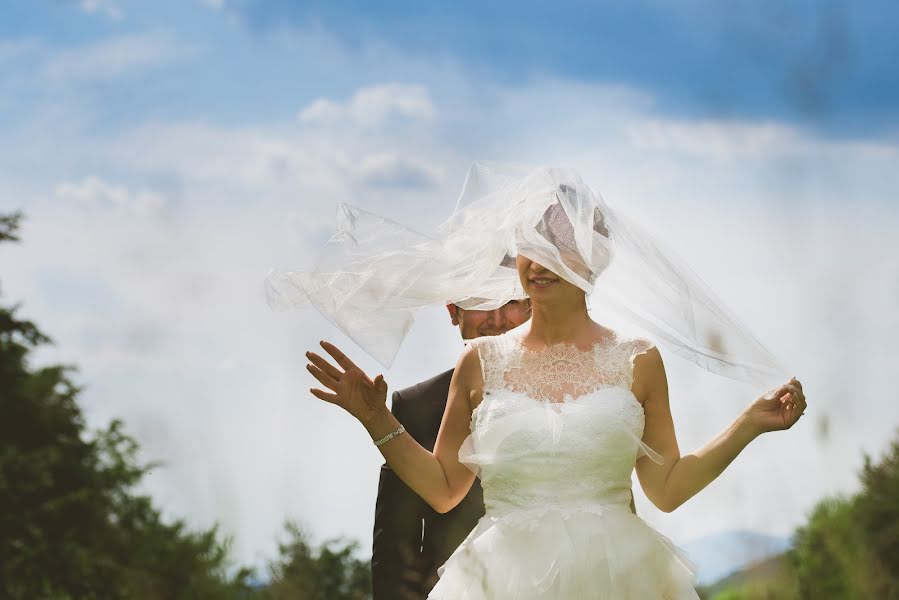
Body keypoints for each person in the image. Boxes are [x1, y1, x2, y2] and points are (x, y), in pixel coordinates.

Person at [281, 163, 806, 597]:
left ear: (594, 260)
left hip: (620, 580)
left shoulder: (638, 360)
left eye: (560, 244)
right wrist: (377, 420)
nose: (540, 261)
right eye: (531, 244)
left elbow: (665, 489)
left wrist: (749, 424)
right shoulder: (482, 361)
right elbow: (443, 490)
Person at [372, 300, 531, 599]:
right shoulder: (416, 405)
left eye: (508, 302)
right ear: (452, 311)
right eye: (480, 302)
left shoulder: (583, 390)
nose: (496, 319)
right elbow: (396, 542)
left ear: (531, 306)